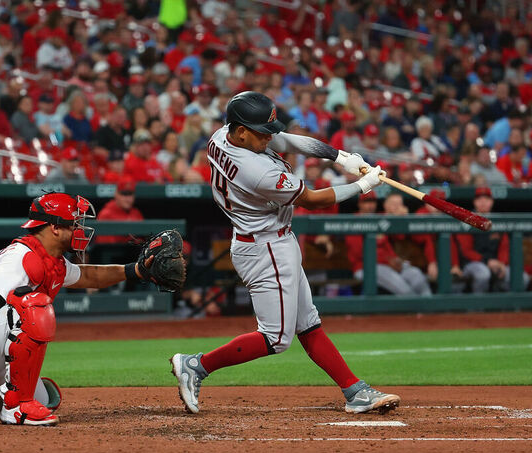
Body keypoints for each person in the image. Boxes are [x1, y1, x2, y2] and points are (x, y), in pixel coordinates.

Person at [169, 91, 399, 415]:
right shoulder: (257, 171)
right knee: (276, 338)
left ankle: (355, 391)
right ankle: (197, 365)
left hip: (270, 240)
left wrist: (341, 158)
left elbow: (285, 139)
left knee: (308, 324)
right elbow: (315, 200)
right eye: (261, 132)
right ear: (241, 131)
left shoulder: (223, 136)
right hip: (265, 248)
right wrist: (365, 185)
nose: (269, 137)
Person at [0, 192, 156, 425]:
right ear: (55, 228)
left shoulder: (52, 260)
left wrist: (135, 271)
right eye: (75, 224)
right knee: (34, 306)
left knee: (46, 399)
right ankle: (14, 408)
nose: (80, 230)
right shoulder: (22, 256)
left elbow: (90, 276)